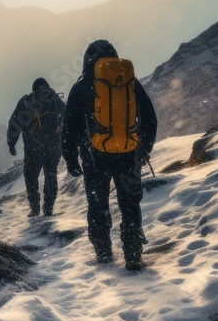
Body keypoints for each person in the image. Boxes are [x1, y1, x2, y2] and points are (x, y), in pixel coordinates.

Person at [61, 40, 158, 271]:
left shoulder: (81, 87)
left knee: (98, 203)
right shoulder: (129, 82)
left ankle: (103, 253)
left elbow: (69, 128)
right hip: (128, 154)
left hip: (95, 159)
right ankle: (133, 255)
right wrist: (144, 148)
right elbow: (149, 118)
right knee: (130, 204)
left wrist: (70, 157)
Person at [7, 77, 66, 217]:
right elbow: (68, 119)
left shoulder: (27, 101)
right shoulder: (56, 100)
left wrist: (11, 143)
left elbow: (15, 123)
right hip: (53, 147)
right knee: (51, 175)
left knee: (31, 177)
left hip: (33, 148)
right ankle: (49, 208)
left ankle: (34, 209)